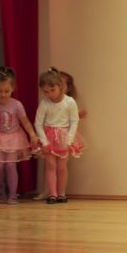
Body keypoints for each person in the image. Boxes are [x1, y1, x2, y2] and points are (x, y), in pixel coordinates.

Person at [0, 67, 38, 204]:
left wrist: (32, 134)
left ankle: (13, 195)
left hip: (14, 139)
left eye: (6, 91)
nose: (3, 94)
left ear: (13, 88)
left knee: (10, 166)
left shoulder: (17, 105)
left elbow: (25, 122)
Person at [35, 70, 87, 200]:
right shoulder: (44, 103)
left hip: (64, 137)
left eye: (52, 90)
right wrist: (44, 142)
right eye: (46, 92)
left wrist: (69, 141)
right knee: (50, 166)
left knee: (62, 167)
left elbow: (74, 121)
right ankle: (53, 194)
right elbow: (38, 123)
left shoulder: (70, 102)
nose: (49, 94)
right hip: (48, 137)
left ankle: (61, 193)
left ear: (60, 86)